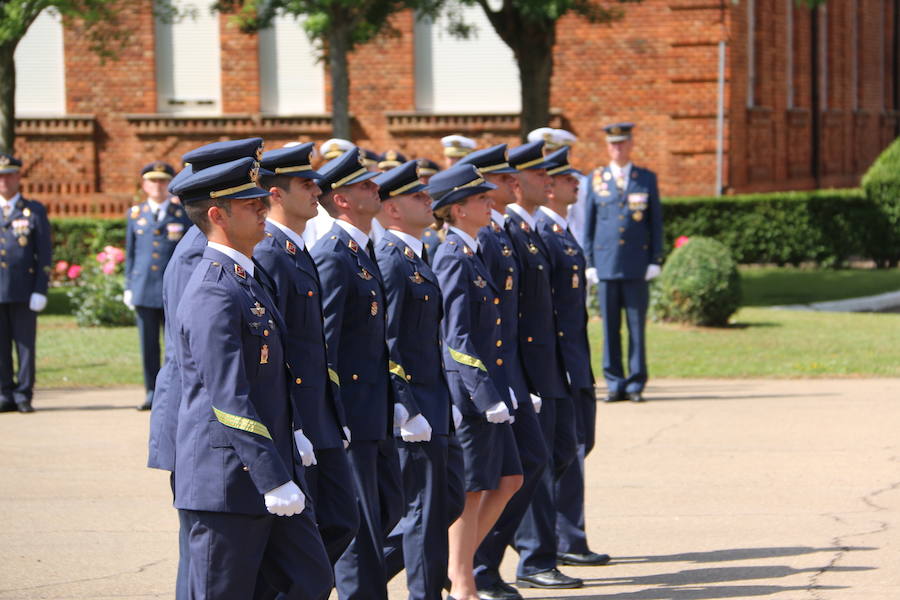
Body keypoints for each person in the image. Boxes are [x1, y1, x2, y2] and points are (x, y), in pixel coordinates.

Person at [170, 155, 332, 600]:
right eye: (249, 203)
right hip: (228, 479)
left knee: (311, 579)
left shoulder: (246, 277)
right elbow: (228, 397)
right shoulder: (212, 290)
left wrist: (293, 433)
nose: (263, 207)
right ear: (217, 215)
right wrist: (273, 477)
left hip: (271, 464)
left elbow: (275, 374)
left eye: (261, 198)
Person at [146, 137, 269, 600]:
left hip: (220, 416)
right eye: (248, 193)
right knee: (210, 567)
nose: (260, 202)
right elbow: (197, 352)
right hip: (203, 420)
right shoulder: (200, 253)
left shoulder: (222, 247)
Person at [254, 142, 359, 568]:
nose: (317, 190)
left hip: (319, 415)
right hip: (298, 419)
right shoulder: (269, 254)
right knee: (303, 544)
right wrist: (296, 426)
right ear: (275, 194)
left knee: (341, 521)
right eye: (304, 183)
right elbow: (276, 352)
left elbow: (317, 345)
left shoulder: (295, 250)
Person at [457, 144, 550, 600]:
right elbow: (463, 331)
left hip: (506, 375)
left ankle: (467, 566)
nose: (505, 190)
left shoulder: (493, 234)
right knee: (480, 484)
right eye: (496, 182)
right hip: (483, 385)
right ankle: (465, 569)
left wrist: (517, 383)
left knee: (521, 469)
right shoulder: (474, 242)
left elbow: (506, 320)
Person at [310, 147, 403, 600]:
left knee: (388, 511)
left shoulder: (360, 249)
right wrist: (336, 414)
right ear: (342, 199)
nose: (377, 189)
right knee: (360, 532)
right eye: (366, 185)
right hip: (353, 414)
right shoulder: (333, 254)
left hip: (375, 410)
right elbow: (323, 345)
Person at [429, 164, 522, 600]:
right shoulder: (451, 254)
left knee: (508, 480)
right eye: (481, 199)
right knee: (471, 490)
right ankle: (461, 581)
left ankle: (457, 569)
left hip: (489, 387)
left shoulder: (471, 250)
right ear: (458, 209)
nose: (491, 204)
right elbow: (456, 334)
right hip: (468, 393)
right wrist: (485, 394)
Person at [374, 160, 455, 600]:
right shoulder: (390, 259)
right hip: (415, 408)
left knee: (448, 499)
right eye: (417, 196)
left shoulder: (415, 254)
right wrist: (404, 405)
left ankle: (362, 566)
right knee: (423, 510)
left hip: (435, 401)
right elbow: (386, 344)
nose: (429, 200)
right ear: (392, 210)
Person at [504, 140, 580, 590]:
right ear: (516, 184)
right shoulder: (512, 230)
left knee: (557, 456)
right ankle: (534, 557)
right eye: (538, 175)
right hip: (527, 367)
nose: (547, 181)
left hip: (548, 363)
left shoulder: (529, 230)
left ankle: (539, 551)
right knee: (536, 463)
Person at [535, 146, 610, 567]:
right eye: (566, 179)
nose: (575, 184)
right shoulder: (544, 234)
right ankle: (563, 538)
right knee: (564, 451)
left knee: (580, 445)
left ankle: (568, 535)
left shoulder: (561, 230)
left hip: (574, 358)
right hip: (558, 360)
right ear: (547, 188)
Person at [582, 123, 663, 403]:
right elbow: (589, 225)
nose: (617, 148)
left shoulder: (645, 179)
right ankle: (614, 382)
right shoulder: (596, 179)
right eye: (613, 144)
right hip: (605, 264)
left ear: (630, 145)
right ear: (608, 147)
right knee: (609, 327)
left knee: (636, 327)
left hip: (636, 264)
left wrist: (655, 258)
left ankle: (636, 383)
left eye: (622, 143)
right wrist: (590, 262)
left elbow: (656, 223)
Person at [125, 161, 193, 411]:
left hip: (174, 290)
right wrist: (129, 286)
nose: (158, 185)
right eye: (153, 181)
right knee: (148, 346)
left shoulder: (181, 214)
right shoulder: (135, 214)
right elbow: (131, 253)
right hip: (144, 288)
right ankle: (151, 391)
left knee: (174, 345)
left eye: (163, 181)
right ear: (144, 184)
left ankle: (173, 392)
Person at [0, 153, 50, 414]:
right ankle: (4, 392)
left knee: (25, 345)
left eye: (9, 175)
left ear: (18, 177)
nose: (4, 181)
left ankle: (23, 394)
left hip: (23, 288)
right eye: (1, 176)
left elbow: (44, 253)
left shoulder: (34, 210)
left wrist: (40, 288)